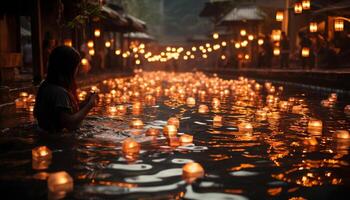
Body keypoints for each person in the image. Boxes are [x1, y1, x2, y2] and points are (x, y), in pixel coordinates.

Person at [34, 46, 97, 132]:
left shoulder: (45, 85)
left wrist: (85, 103)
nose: (77, 70)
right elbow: (70, 123)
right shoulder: (59, 92)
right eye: (76, 67)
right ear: (69, 69)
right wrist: (89, 106)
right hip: (58, 140)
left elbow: (66, 112)